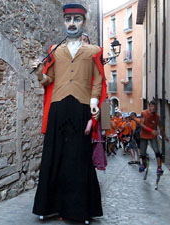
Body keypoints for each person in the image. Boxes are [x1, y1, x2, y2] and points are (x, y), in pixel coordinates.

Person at [31, 3, 105, 224]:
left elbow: (98, 80)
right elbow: (48, 80)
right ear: (64, 22)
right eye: (68, 19)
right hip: (58, 108)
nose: (72, 23)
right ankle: (50, 207)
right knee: (54, 156)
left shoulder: (94, 51)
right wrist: (38, 72)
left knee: (79, 159)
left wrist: (94, 114)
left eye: (77, 19)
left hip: (81, 108)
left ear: (84, 22)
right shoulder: (56, 49)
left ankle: (78, 210)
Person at [138, 101, 169, 175]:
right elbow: (141, 124)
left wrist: (164, 136)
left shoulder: (157, 116)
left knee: (157, 151)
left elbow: (160, 126)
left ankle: (159, 167)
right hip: (144, 135)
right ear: (149, 106)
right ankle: (144, 164)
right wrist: (151, 130)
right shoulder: (144, 113)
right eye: (152, 106)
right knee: (142, 152)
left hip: (152, 136)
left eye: (155, 107)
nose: (153, 108)